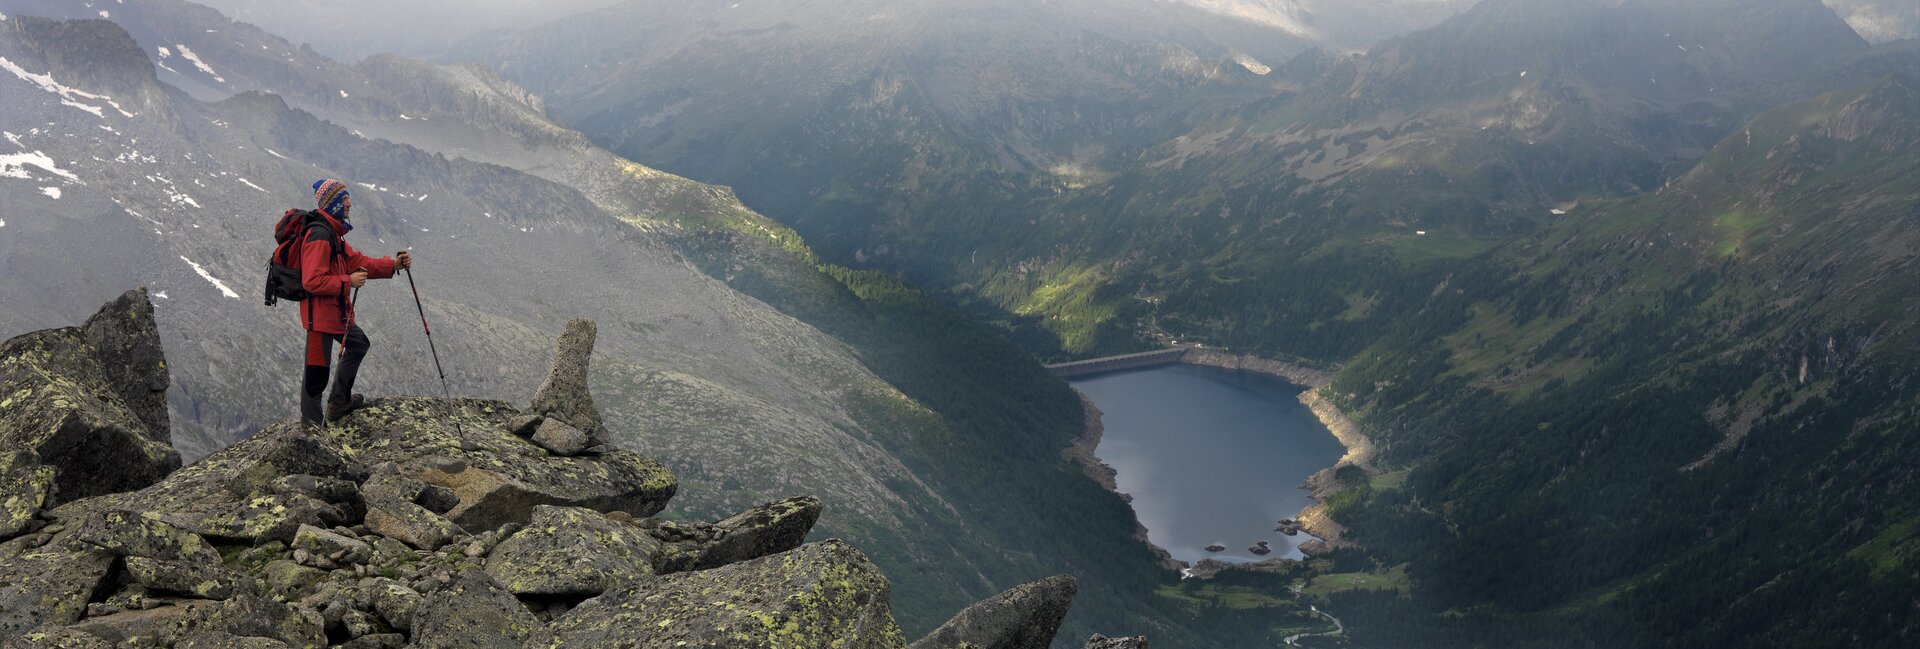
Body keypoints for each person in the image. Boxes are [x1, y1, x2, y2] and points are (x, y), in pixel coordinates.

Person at [298, 179, 412, 428]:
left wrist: (392, 265)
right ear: (333, 203)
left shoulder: (334, 235)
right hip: (319, 319)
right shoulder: (319, 235)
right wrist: (346, 281)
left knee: (359, 344)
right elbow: (311, 281)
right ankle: (311, 436)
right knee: (315, 379)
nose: (349, 204)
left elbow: (359, 261)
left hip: (336, 315)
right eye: (344, 199)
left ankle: (338, 403)